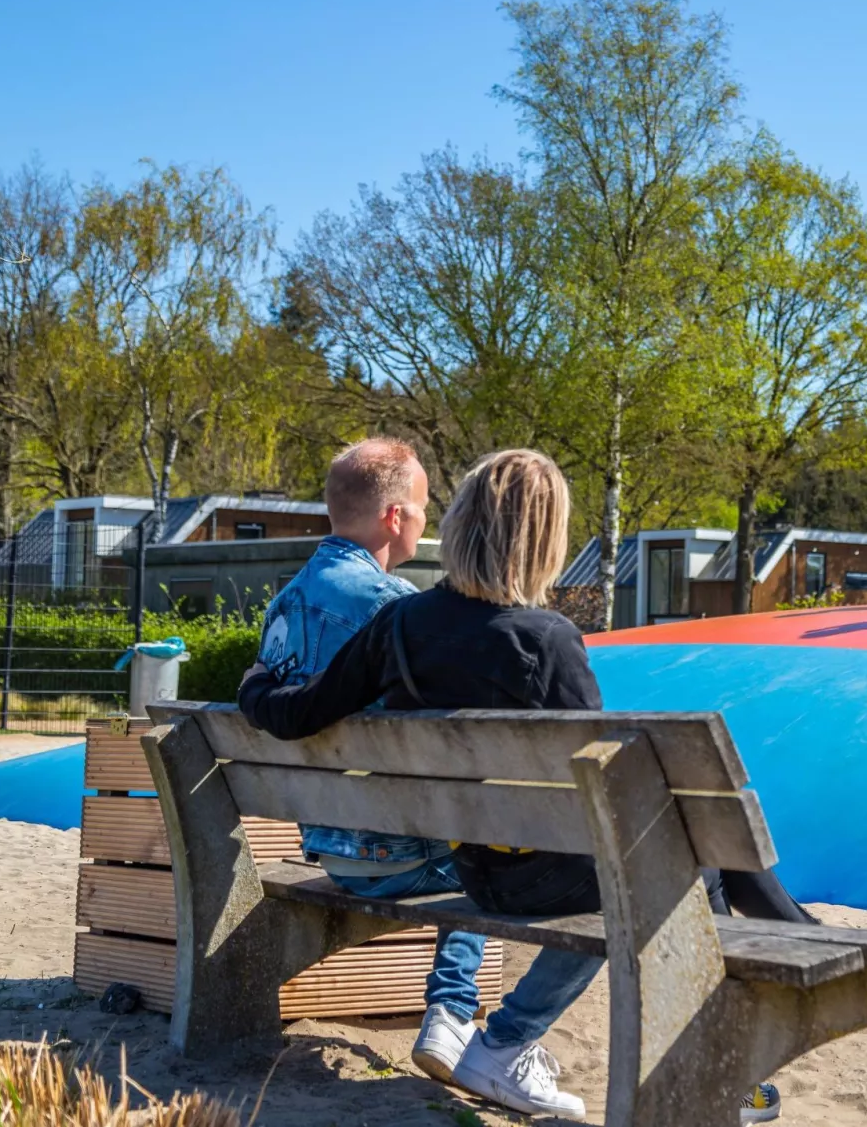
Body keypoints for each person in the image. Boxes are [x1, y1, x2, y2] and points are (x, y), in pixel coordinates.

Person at [239, 449, 801, 1123]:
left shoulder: (401, 623)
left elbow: (299, 712)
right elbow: (608, 797)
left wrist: (253, 682)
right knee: (684, 867)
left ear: (464, 522)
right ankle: (534, 1040)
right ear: (543, 538)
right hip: (533, 878)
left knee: (690, 858)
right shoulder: (548, 640)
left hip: (470, 866)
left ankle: (733, 1010)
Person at [254, 437, 488, 1086]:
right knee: (491, 857)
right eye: (420, 506)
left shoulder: (282, 607)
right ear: (393, 517)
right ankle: (451, 1009)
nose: (424, 518)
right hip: (399, 860)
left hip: (327, 850)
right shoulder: (394, 609)